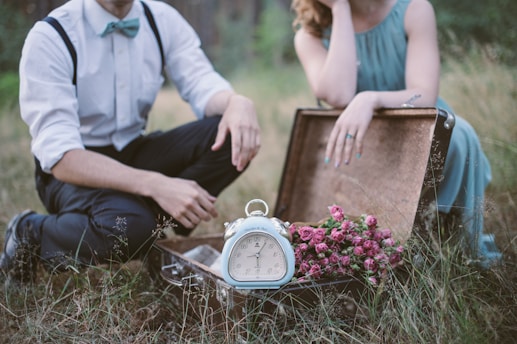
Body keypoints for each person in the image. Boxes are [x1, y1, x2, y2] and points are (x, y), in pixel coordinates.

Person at [0, 0, 261, 283]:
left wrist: (236, 102)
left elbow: (201, 82)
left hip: (133, 151)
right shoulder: (52, 35)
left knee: (232, 136)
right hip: (73, 171)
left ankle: (143, 222)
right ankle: (32, 232)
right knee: (129, 228)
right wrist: (156, 184)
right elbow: (62, 157)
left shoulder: (161, 19)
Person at [291, 0, 501, 267]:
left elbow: (425, 94)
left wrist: (371, 99)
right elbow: (339, 94)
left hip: (419, 125)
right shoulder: (310, 35)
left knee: (458, 136)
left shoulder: (413, 9)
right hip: (364, 143)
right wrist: (340, 8)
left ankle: (445, 246)